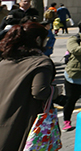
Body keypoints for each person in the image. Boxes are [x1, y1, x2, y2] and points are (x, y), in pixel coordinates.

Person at [0, 21, 54, 150]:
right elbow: (40, 91)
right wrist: (55, 91)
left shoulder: (5, 60)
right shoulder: (41, 62)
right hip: (21, 120)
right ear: (38, 39)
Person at [63, 17, 81, 131]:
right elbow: (75, 50)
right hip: (73, 75)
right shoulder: (74, 39)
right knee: (70, 100)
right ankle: (66, 121)